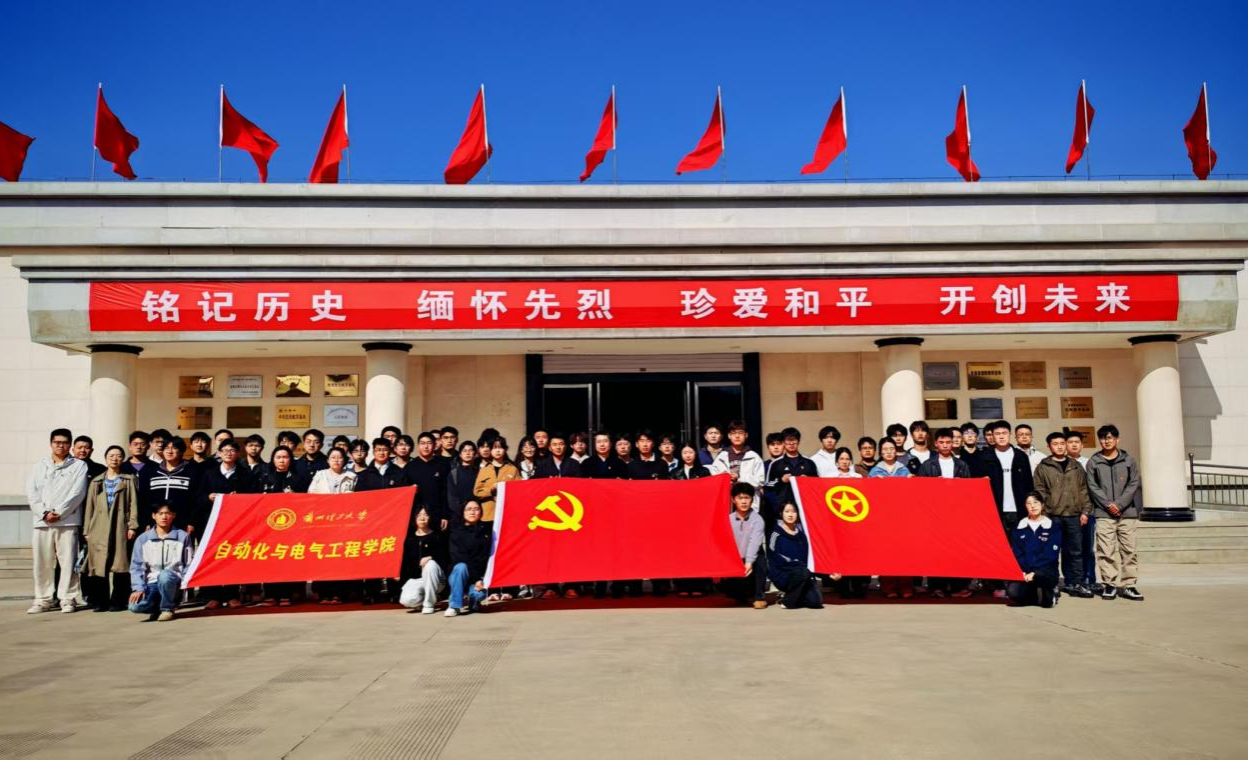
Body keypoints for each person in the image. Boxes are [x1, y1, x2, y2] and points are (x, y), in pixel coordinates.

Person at [197, 438, 257, 611]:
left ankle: (232, 595)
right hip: (213, 522)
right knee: (214, 557)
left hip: (236, 524)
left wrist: (240, 498)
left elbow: (254, 497)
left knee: (232, 558)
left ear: (237, 454)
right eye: (225, 450)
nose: (228, 453)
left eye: (232, 451)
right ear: (219, 453)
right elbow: (198, 496)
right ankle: (214, 596)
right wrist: (209, 497)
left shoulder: (246, 475)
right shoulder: (209, 473)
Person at [1087, 425, 1144, 602]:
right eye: (1103, 438)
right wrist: (1107, 504)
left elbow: (1134, 483)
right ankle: (1109, 584)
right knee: (1106, 550)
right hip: (1103, 513)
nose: (1107, 441)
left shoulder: (1128, 460)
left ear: (1117, 439)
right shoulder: (1094, 462)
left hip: (1127, 512)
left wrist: (1119, 504)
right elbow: (1092, 486)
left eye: (1110, 437)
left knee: (1129, 550)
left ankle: (1129, 585)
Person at [1033, 432, 1094, 599]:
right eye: (1055, 444)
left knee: (1075, 551)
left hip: (1074, 515)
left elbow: (1084, 490)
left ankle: (1075, 583)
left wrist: (1085, 511)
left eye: (1062, 443)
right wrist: (1044, 513)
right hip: (1052, 516)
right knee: (1051, 552)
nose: (1059, 447)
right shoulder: (1043, 467)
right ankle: (1052, 583)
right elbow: (1039, 491)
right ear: (1049, 446)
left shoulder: (1076, 466)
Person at [980, 420, 1035, 598]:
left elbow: (1029, 484)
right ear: (992, 437)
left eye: (1004, 433)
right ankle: (997, 584)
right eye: (997, 434)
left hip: (1018, 510)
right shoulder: (985, 457)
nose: (1001, 436)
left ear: (1010, 435)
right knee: (997, 548)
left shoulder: (1020, 456)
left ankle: (1017, 583)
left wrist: (1030, 508)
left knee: (1019, 548)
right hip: (995, 511)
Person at [82, 445, 139, 612]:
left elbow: (133, 504)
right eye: (111, 455)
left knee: (121, 564)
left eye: (118, 455)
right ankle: (101, 601)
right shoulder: (96, 481)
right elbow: (89, 508)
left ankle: (118, 601)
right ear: (106, 459)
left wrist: (133, 526)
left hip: (120, 525)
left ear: (123, 459)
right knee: (99, 565)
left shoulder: (128, 480)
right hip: (99, 527)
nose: (115, 458)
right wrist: (87, 530)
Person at [355, 438, 411, 605]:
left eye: (385, 450)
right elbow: (359, 500)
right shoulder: (365, 475)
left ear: (390, 452)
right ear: (373, 452)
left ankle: (395, 592)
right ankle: (371, 592)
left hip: (394, 523)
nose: (381, 452)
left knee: (393, 555)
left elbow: (404, 498)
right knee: (372, 556)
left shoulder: (399, 473)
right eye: (378, 449)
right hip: (372, 524)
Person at [127, 501, 193, 622]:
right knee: (134, 606)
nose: (164, 517)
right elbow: (136, 566)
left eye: (167, 513)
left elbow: (188, 563)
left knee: (165, 575)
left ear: (173, 515)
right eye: (160, 513)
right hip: (151, 583)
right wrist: (138, 588)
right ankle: (157, 608)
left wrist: (185, 585)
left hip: (173, 582)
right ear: (154, 516)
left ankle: (167, 609)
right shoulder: (143, 538)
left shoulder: (182, 536)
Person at [870, 438, 913, 598]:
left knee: (904, 553)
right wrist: (874, 483)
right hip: (883, 518)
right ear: (880, 452)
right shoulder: (875, 472)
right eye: (885, 449)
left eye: (891, 449)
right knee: (887, 553)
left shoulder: (904, 470)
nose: (888, 452)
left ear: (896, 451)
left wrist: (912, 481)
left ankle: (906, 586)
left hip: (903, 518)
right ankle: (889, 587)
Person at [1007, 492, 1062, 608]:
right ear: (1025, 506)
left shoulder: (1053, 527)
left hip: (1045, 571)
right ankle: (1034, 595)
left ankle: (1050, 593)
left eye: (1036, 502)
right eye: (1029, 503)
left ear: (1042, 505)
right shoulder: (1019, 528)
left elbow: (1051, 555)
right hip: (1026, 573)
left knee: (1046, 603)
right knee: (1013, 592)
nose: (1032, 506)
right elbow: (1017, 553)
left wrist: (1035, 572)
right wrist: (1022, 572)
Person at [672, 443, 713, 596]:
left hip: (699, 517)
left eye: (690, 452)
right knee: (682, 552)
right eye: (685, 452)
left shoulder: (704, 471)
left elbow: (710, 492)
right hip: (680, 518)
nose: (688, 455)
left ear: (695, 454)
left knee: (699, 551)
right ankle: (682, 585)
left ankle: (700, 585)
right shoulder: (674, 473)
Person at [140, 437, 203, 535]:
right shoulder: (151, 472)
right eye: (166, 448)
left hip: (182, 522)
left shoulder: (192, 471)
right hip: (156, 522)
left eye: (174, 448)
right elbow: (144, 499)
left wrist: (192, 522)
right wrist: (147, 521)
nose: (169, 451)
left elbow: (196, 500)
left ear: (181, 451)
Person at [767, 503, 823, 610]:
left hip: (803, 573)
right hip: (783, 574)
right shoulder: (776, 533)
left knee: (816, 602)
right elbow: (774, 556)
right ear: (781, 513)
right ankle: (788, 601)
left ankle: (793, 596)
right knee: (802, 571)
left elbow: (810, 558)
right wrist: (796, 564)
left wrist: (829, 573)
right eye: (787, 511)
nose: (790, 514)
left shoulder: (802, 535)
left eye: (793, 511)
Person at [723, 482, 767, 609]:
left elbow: (754, 543)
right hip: (735, 559)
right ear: (733, 500)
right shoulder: (728, 519)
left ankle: (759, 597)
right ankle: (741, 595)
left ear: (752, 500)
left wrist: (749, 562)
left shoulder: (758, 520)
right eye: (740, 498)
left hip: (751, 559)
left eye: (747, 498)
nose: (743, 502)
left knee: (760, 559)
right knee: (727, 588)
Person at [1065, 430, 1099, 592]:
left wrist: (1087, 510)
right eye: (1070, 442)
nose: (1073, 445)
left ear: (1082, 445)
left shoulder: (1088, 463)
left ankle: (1089, 578)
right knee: (1068, 549)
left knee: (1087, 548)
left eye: (1077, 442)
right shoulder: (1061, 463)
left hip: (1087, 512)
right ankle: (1070, 579)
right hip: (1067, 514)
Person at [399, 507, 449, 614]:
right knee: (406, 600)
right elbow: (405, 561)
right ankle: (430, 598)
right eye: (419, 515)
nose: (422, 517)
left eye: (425, 515)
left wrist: (431, 557)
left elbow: (445, 557)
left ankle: (429, 604)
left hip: (436, 578)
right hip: (417, 579)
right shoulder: (409, 539)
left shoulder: (438, 536)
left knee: (430, 565)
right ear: (414, 518)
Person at [445, 500, 491, 617]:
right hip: (460, 576)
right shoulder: (456, 532)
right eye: (469, 509)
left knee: (479, 594)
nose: (472, 512)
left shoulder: (487, 531)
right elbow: (462, 558)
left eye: (476, 509)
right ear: (463, 512)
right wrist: (477, 579)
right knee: (461, 566)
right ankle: (454, 605)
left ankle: (473, 601)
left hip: (478, 576)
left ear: (481, 512)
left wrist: (482, 579)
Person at [709, 420, 765, 507]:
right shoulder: (721, 456)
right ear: (729, 436)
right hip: (727, 502)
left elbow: (760, 481)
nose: (737, 436)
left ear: (746, 435)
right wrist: (723, 477)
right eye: (734, 433)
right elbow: (713, 479)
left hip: (748, 503)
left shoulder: (754, 457)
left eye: (740, 433)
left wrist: (739, 478)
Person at [405, 432, 451, 530]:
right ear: (418, 446)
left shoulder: (443, 465)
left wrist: (445, 515)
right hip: (417, 515)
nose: (426, 447)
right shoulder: (410, 467)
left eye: (429, 443)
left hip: (437, 513)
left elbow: (446, 491)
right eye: (422, 443)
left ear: (434, 445)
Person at [473, 437, 519, 527]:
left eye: (500, 447)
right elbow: (477, 492)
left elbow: (519, 491)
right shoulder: (484, 470)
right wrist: (491, 490)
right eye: (494, 448)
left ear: (505, 449)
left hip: (507, 514)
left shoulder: (512, 469)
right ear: (490, 450)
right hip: (488, 515)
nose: (498, 451)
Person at [447, 441, 481, 520]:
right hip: (459, 516)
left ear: (475, 454)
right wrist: (463, 512)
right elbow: (452, 498)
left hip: (477, 514)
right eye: (465, 451)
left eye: (470, 450)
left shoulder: (480, 472)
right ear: (460, 454)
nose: (468, 453)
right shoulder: (454, 473)